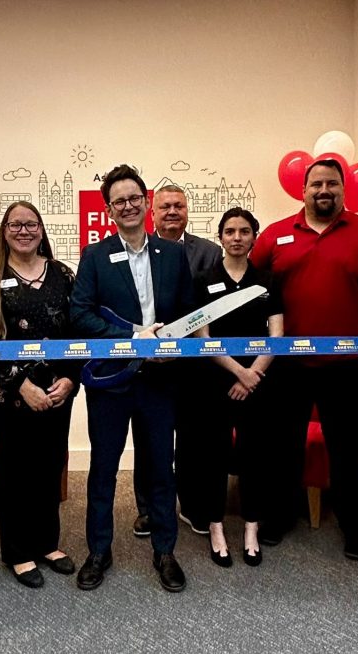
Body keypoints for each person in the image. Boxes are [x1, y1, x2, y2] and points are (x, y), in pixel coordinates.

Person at [251, 159, 358, 559]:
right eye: (316, 183)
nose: (324, 190)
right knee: (282, 446)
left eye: (332, 183)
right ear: (303, 190)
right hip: (286, 365)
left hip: (348, 367)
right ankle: (278, 516)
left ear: (343, 189)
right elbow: (250, 288)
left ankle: (356, 526)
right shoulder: (277, 235)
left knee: (349, 449)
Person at [71, 164, 195, 592]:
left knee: (161, 468)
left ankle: (165, 551)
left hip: (160, 382)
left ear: (146, 201)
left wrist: (167, 347)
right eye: (118, 201)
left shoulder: (173, 254)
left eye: (134, 198)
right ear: (109, 210)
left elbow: (185, 314)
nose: (127, 206)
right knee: (103, 469)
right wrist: (133, 337)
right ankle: (98, 552)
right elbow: (80, 315)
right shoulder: (95, 256)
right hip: (111, 381)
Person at [0, 201, 80, 588]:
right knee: (16, 473)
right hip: (8, 395)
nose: (24, 230)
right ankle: (18, 553)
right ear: (4, 231)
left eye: (31, 224)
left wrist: (70, 379)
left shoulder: (63, 274)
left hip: (56, 392)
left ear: (41, 228)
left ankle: (47, 543)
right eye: (15, 224)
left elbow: (78, 333)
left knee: (48, 468)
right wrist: (22, 385)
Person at [131, 185, 221, 538]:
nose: (171, 211)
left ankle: (190, 505)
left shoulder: (210, 252)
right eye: (164, 206)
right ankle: (147, 510)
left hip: (193, 366)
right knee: (149, 440)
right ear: (152, 213)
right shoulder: (140, 250)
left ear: (187, 211)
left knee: (191, 439)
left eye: (178, 206)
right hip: (149, 362)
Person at [195, 208, 283, 567]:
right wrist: (237, 372)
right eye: (229, 231)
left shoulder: (267, 280)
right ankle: (216, 528)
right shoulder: (203, 279)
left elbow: (276, 335)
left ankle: (250, 528)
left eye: (244, 231)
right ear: (220, 237)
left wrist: (253, 375)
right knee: (213, 455)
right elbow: (202, 335)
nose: (236, 237)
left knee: (254, 455)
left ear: (253, 237)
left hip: (258, 382)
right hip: (215, 380)